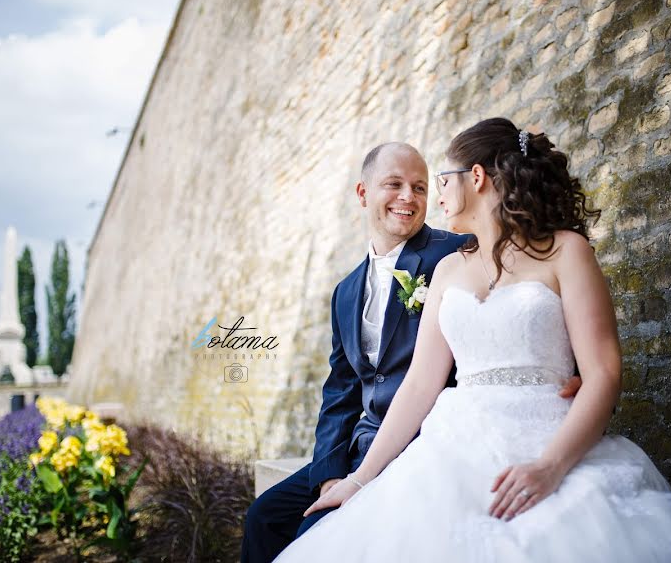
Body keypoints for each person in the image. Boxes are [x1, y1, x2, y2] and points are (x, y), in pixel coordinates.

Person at [273, 118, 671, 562]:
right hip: (451, 450)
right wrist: (359, 481)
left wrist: (550, 467)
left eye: (439, 180)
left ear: (475, 177)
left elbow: (603, 372)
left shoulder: (565, 252)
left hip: (547, 436)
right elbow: (420, 385)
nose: (432, 195)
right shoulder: (446, 270)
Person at [239, 140, 586, 563]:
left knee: (318, 536)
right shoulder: (345, 292)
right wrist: (329, 475)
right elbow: (340, 392)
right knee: (263, 518)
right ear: (363, 193)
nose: (410, 197)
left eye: (421, 187)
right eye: (395, 184)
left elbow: (525, 302)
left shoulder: (457, 251)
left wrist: (573, 366)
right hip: (362, 443)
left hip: (427, 439)